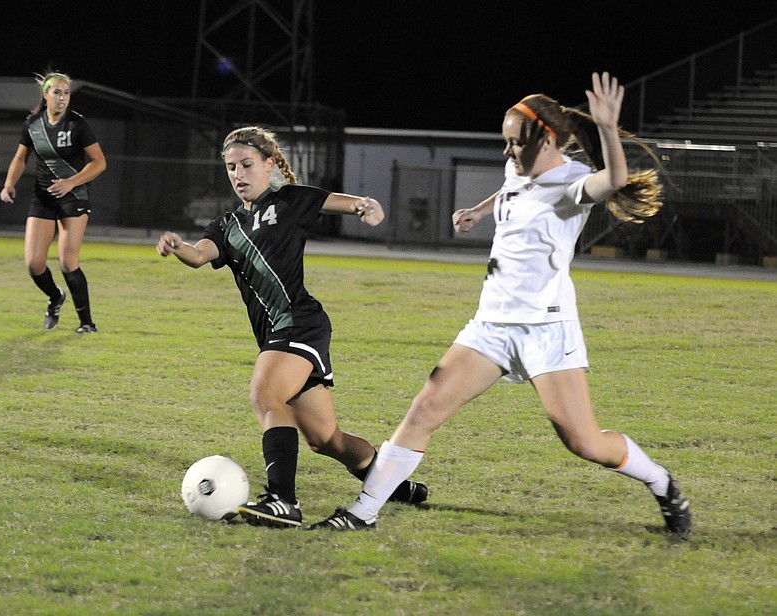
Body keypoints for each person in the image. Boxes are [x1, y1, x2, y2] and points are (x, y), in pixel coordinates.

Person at [307, 72, 693, 536]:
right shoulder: (519, 169)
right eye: (506, 143)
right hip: (489, 325)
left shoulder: (572, 184)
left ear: (548, 140)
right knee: (424, 409)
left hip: (545, 331)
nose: (507, 153)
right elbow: (511, 190)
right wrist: (479, 210)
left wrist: (608, 129)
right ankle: (362, 513)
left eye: (515, 144)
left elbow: (615, 179)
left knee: (585, 442)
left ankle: (662, 482)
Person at [157, 126, 427, 528]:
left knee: (265, 396)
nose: (238, 175)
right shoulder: (227, 225)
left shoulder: (290, 201)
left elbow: (349, 204)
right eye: (231, 168)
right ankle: (396, 487)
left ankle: (283, 501)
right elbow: (199, 256)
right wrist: (178, 247)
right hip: (280, 335)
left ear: (269, 165)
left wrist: (366, 207)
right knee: (325, 440)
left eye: (247, 165)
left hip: (299, 324)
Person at [0, 70, 106, 333]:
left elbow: (100, 162)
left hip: (74, 197)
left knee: (68, 261)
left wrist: (71, 182)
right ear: (45, 95)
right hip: (43, 198)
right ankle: (56, 297)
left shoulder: (77, 124)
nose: (62, 98)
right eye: (57, 92)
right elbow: (20, 158)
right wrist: (8, 184)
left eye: (66, 92)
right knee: (34, 264)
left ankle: (87, 324)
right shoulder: (33, 124)